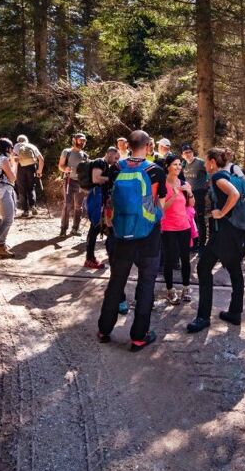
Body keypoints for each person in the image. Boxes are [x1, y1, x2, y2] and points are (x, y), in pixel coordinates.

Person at [97, 130, 168, 352]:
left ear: (127, 146)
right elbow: (161, 205)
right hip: (148, 234)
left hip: (121, 234)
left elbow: (109, 201)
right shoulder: (155, 170)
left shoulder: (116, 168)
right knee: (146, 284)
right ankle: (139, 336)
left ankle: (104, 330)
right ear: (148, 146)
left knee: (117, 281)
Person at [187, 148, 245, 333]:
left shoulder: (217, 177)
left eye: (207, 161)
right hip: (234, 232)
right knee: (235, 272)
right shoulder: (228, 174)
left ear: (213, 162)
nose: (205, 165)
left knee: (203, 268)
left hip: (223, 234)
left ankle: (203, 317)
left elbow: (234, 195)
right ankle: (235, 313)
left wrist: (221, 213)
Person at [160, 154, 195, 304]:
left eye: (180, 165)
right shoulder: (162, 185)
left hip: (184, 226)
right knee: (169, 260)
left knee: (185, 259)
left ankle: (186, 288)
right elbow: (161, 208)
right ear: (167, 166)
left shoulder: (184, 183)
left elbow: (191, 204)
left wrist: (189, 192)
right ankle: (170, 290)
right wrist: (174, 195)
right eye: (175, 164)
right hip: (168, 227)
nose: (178, 167)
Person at [83, 146, 120, 269]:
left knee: (98, 228)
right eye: (116, 158)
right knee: (94, 228)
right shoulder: (100, 162)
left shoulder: (105, 165)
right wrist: (111, 179)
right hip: (96, 200)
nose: (116, 161)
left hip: (100, 200)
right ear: (110, 154)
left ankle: (93, 257)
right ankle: (89, 259)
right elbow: (96, 178)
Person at [58, 133, 89, 236]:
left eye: (84, 141)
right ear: (74, 140)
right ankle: (63, 229)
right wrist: (65, 168)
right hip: (68, 181)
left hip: (80, 183)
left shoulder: (85, 155)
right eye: (80, 140)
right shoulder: (66, 152)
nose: (82, 142)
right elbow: (60, 166)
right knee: (67, 205)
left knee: (78, 207)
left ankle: (75, 229)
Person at [181, 144, 208, 251]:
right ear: (182, 155)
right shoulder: (183, 164)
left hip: (199, 193)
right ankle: (194, 243)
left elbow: (210, 172)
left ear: (193, 152)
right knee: (191, 219)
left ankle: (202, 245)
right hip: (188, 195)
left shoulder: (200, 163)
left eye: (189, 152)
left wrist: (207, 186)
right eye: (185, 152)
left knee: (199, 218)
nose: (188, 154)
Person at [13, 135, 44, 217]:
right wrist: (39, 171)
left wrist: (13, 171)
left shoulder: (16, 146)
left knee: (22, 189)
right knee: (31, 188)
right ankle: (33, 206)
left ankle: (25, 211)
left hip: (20, 168)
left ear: (18, 140)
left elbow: (13, 159)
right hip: (32, 167)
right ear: (27, 140)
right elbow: (41, 159)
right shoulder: (31, 146)